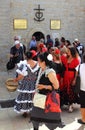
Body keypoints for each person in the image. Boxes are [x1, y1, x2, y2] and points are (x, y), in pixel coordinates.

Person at [31, 52, 64, 130]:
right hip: (39, 98)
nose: (37, 62)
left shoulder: (50, 72)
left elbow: (56, 86)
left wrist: (44, 86)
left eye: (39, 61)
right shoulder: (41, 69)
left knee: (50, 122)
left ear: (44, 62)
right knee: (35, 119)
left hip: (47, 100)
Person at [14, 51, 39, 117]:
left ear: (25, 56)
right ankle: (34, 110)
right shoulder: (37, 63)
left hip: (26, 83)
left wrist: (16, 80)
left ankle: (25, 112)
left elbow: (20, 76)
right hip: (34, 82)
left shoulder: (23, 64)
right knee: (33, 96)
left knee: (25, 96)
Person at [61, 46, 80, 112]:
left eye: (68, 51)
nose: (67, 52)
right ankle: (68, 103)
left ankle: (71, 105)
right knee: (66, 90)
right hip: (66, 76)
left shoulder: (76, 60)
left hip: (72, 77)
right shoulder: (65, 58)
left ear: (72, 51)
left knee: (71, 91)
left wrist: (75, 79)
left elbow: (77, 71)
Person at [75, 53, 85, 124]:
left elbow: (76, 77)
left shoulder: (79, 66)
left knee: (83, 105)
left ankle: (83, 119)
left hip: (82, 89)